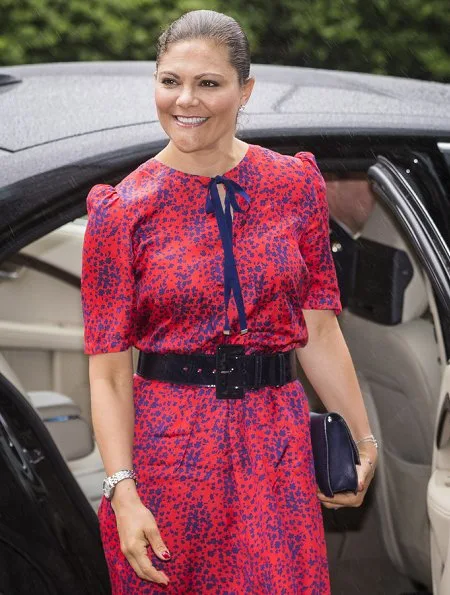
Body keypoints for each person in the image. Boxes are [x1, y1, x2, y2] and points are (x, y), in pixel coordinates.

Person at [81, 9, 378, 594]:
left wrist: (363, 441)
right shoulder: (121, 212)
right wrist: (124, 492)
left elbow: (317, 328)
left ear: (245, 90)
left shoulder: (296, 186)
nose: (185, 99)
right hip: (169, 452)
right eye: (170, 81)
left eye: (208, 83)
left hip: (276, 442)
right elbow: (110, 372)